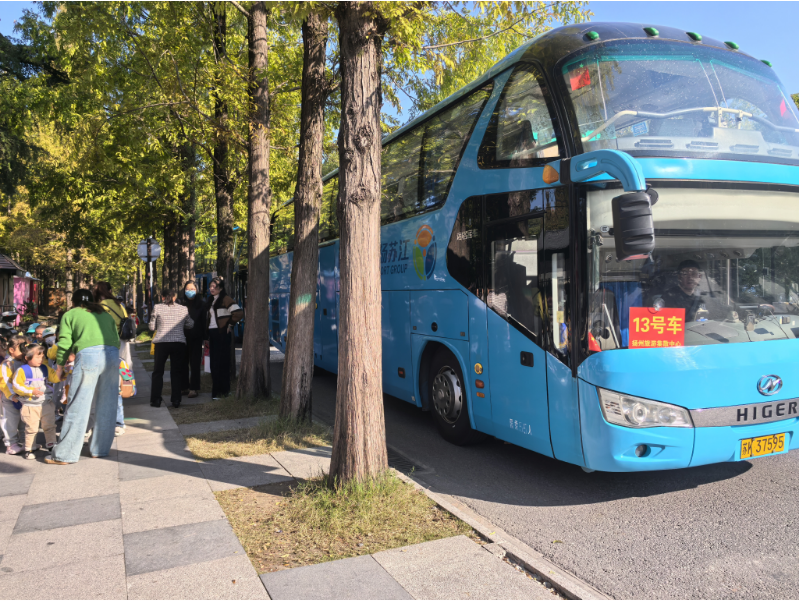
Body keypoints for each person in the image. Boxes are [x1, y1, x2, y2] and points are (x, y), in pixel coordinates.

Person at [45, 289, 120, 465]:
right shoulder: (105, 314)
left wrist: (59, 367)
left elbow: (64, 343)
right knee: (107, 404)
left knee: (78, 404)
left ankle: (65, 455)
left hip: (88, 356)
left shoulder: (70, 314)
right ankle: (100, 449)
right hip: (112, 354)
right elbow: (116, 337)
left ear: (73, 302)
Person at [12, 343, 61, 459]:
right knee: (31, 428)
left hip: (46, 403)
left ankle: (51, 444)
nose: (41, 359)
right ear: (27, 357)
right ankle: (29, 449)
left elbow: (54, 378)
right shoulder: (22, 370)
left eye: (42, 356)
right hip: (30, 405)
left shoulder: (45, 368)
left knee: (50, 425)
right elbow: (16, 386)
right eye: (38, 357)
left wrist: (60, 369)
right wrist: (31, 391)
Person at [149, 288, 194, 408]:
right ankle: (176, 399)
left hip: (161, 342)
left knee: (158, 371)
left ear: (162, 297)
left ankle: (156, 400)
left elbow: (152, 327)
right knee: (176, 372)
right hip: (178, 343)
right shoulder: (183, 309)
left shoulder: (157, 307)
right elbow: (190, 324)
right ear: (174, 297)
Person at [205, 277, 242, 399]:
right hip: (212, 333)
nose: (211, 289)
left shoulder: (225, 299)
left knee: (222, 362)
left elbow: (238, 313)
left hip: (222, 333)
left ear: (220, 288)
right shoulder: (211, 300)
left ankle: (223, 391)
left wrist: (230, 325)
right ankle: (217, 391)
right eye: (210, 286)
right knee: (214, 363)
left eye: (214, 287)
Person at [94, 282, 132, 365]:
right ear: (110, 291)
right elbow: (125, 318)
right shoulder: (119, 305)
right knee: (123, 367)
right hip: (122, 339)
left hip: (107, 342)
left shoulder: (99, 307)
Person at [0, 335, 27, 455]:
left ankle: (26, 441)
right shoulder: (7, 364)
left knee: (24, 420)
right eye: (22, 348)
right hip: (10, 399)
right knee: (10, 421)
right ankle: (11, 444)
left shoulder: (24, 362)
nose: (25, 350)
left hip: (23, 397)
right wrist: (12, 396)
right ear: (11, 349)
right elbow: (4, 382)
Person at [180, 281, 205, 398]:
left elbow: (204, 322)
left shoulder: (202, 304)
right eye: (187, 289)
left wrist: (205, 337)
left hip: (196, 338)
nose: (189, 291)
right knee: (183, 363)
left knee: (195, 364)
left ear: (197, 290)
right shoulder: (180, 304)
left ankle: (194, 388)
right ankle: (184, 387)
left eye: (192, 289)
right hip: (182, 337)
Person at [116, 357, 136, 436]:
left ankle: (119, 424)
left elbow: (128, 376)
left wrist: (132, 388)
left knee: (118, 405)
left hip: (117, 389)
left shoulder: (120, 361)